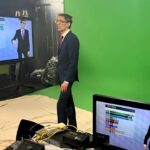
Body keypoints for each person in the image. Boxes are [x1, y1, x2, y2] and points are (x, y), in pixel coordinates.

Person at [55, 13, 79, 129]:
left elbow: (73, 62)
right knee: (69, 104)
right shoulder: (63, 38)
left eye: (61, 21)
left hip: (67, 79)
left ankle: (61, 129)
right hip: (62, 77)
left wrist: (67, 81)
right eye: (57, 21)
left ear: (68, 24)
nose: (58, 23)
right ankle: (73, 127)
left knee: (61, 105)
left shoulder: (72, 39)